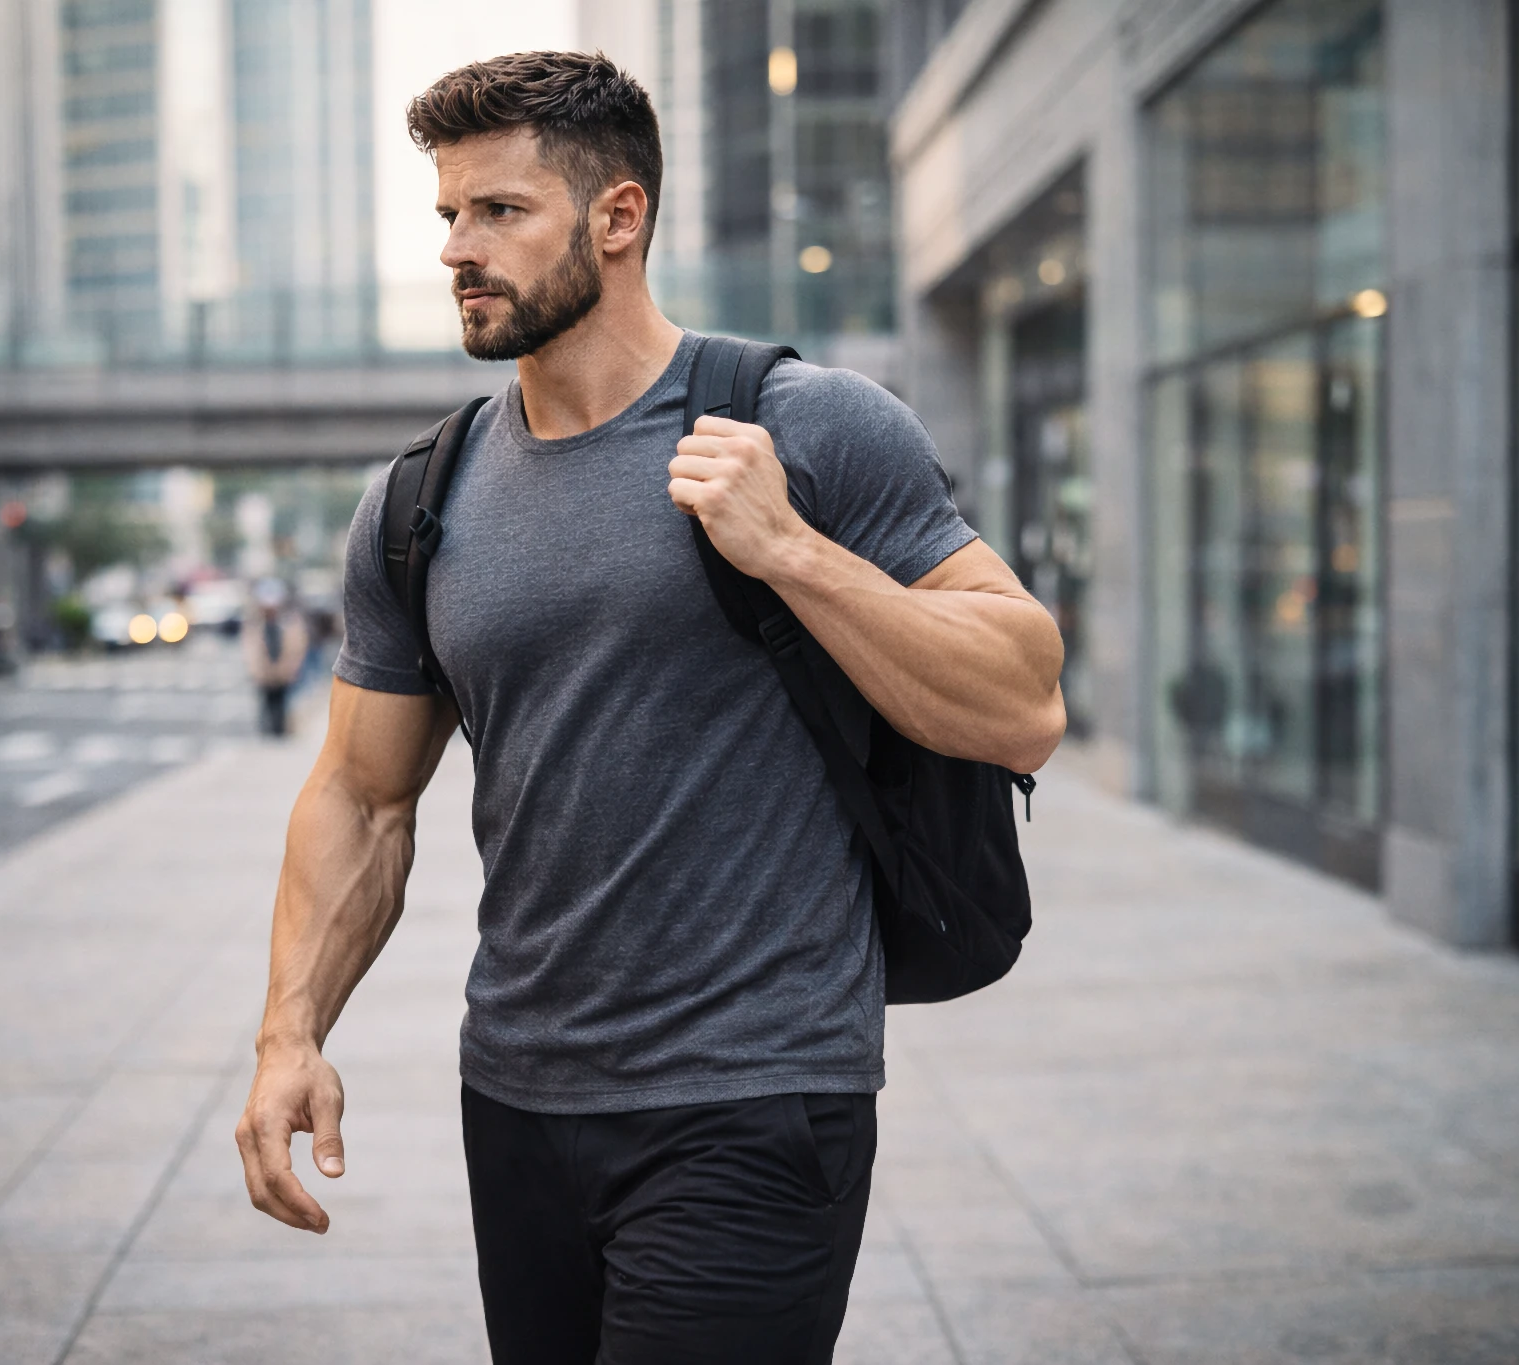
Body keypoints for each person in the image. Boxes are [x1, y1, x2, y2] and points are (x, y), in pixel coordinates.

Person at [234, 51, 1066, 1364]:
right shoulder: (420, 502)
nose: (459, 246)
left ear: (619, 218)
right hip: (516, 1093)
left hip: (758, 1091)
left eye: (499, 211)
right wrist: (291, 1033)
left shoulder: (810, 423)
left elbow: (1025, 697)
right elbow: (361, 794)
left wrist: (793, 549)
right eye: (448, 213)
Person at [242, 580, 308, 737]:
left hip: (283, 671)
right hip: (264, 672)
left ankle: (280, 731)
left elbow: (297, 646)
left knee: (282, 703)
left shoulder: (290, 621)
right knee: (266, 703)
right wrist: (255, 670)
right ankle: (267, 732)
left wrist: (291, 667)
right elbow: (250, 649)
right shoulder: (255, 624)